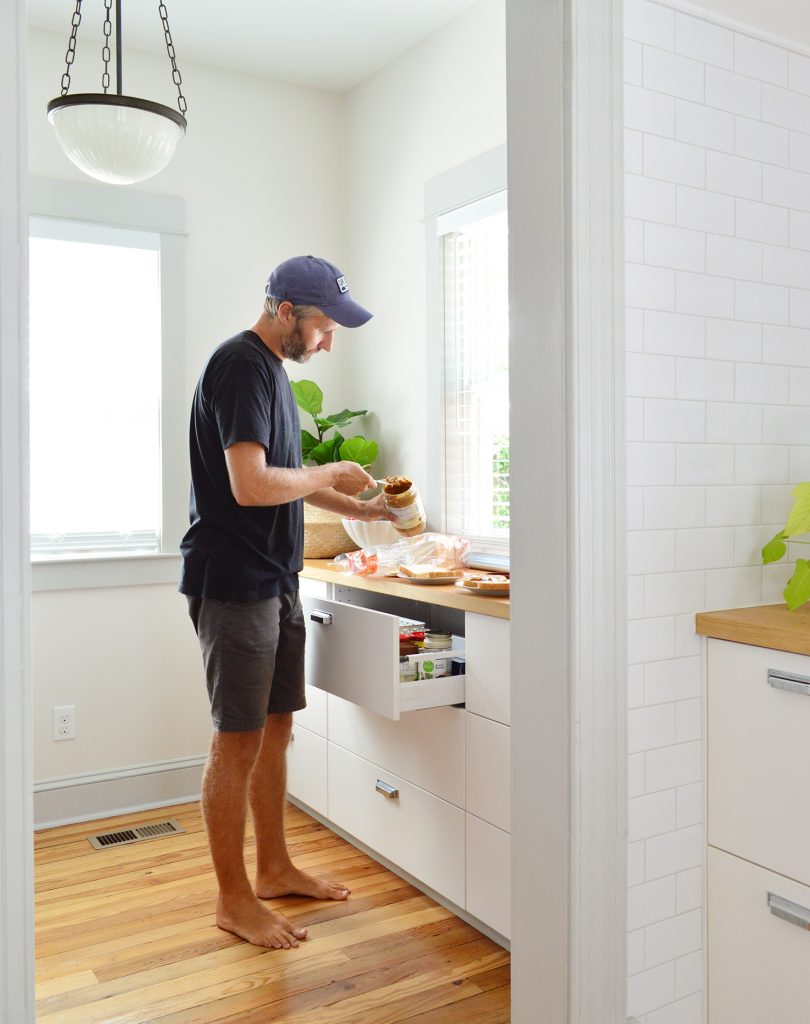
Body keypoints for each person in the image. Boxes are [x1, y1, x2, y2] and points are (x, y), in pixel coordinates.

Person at [180, 255, 390, 950]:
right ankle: (233, 899)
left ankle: (272, 868)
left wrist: (367, 506)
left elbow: (286, 478)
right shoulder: (240, 366)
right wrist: (332, 469)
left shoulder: (272, 373)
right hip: (235, 583)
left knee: (276, 729)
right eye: (323, 325)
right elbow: (249, 485)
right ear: (283, 311)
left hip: (276, 579)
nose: (328, 341)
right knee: (235, 742)